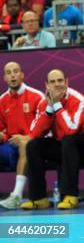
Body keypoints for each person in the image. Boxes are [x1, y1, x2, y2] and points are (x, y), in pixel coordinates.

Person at [21, 70, 84, 210]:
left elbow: (71, 129)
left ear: (67, 82)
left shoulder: (78, 99)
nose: (57, 85)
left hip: (83, 147)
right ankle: (39, 198)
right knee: (33, 145)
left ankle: (70, 195)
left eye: (60, 81)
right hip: (63, 145)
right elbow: (34, 133)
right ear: (47, 85)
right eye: (52, 82)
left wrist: (57, 106)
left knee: (68, 140)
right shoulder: (43, 103)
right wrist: (49, 108)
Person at [0, 62, 45, 209]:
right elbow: (2, 130)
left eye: (16, 71)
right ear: (4, 78)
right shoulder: (1, 100)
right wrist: (2, 136)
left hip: (32, 145)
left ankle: (17, 195)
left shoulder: (37, 96)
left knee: (25, 144)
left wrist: (27, 137)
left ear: (22, 75)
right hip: (9, 146)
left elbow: (45, 125)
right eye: (9, 72)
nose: (13, 75)